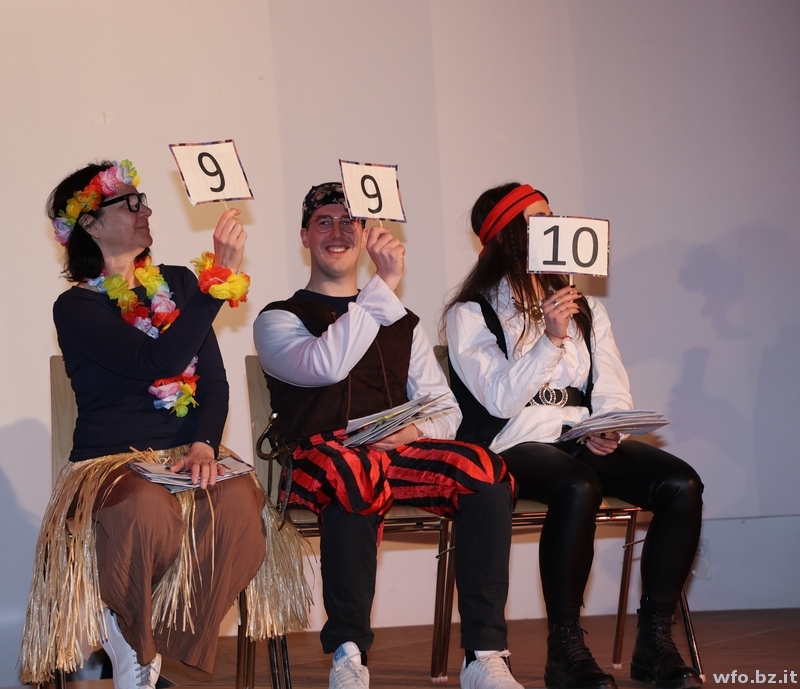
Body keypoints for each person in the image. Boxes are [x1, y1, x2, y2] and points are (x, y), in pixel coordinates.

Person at [21, 160, 307, 689]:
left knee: (239, 500)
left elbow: (213, 380)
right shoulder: (76, 307)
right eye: (131, 202)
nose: (146, 209)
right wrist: (216, 283)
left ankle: (143, 638)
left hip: (185, 453)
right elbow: (158, 361)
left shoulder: (176, 284)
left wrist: (205, 444)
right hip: (110, 463)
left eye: (143, 199)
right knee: (145, 508)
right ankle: (135, 647)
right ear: (90, 223)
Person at [253, 182, 522, 689]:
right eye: (324, 222)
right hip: (318, 458)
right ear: (305, 236)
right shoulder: (277, 318)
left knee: (484, 470)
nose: (337, 232)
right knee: (354, 470)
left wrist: (413, 431)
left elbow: (444, 408)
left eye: (349, 222)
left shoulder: (404, 323)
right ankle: (348, 654)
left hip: (395, 453)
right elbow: (327, 364)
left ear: (364, 234)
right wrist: (383, 285)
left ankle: (484, 654)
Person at [443, 183, 704, 689]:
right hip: (513, 441)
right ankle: (565, 646)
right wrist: (550, 338)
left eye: (551, 215)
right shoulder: (470, 312)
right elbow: (499, 400)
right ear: (506, 235)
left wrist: (608, 425)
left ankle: (655, 639)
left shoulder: (587, 309)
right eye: (536, 219)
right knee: (578, 486)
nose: (552, 226)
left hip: (578, 437)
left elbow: (612, 386)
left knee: (680, 485)